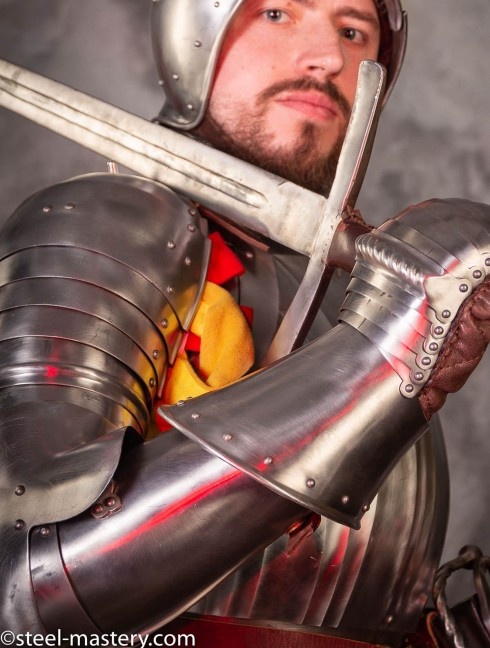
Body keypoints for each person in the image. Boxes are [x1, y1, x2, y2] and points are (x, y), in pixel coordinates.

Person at [0, 1, 489, 646]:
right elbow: (24, 587)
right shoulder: (110, 229)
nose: (329, 57)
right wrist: (384, 354)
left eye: (353, 31)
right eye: (278, 13)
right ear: (193, 35)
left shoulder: (363, 289)